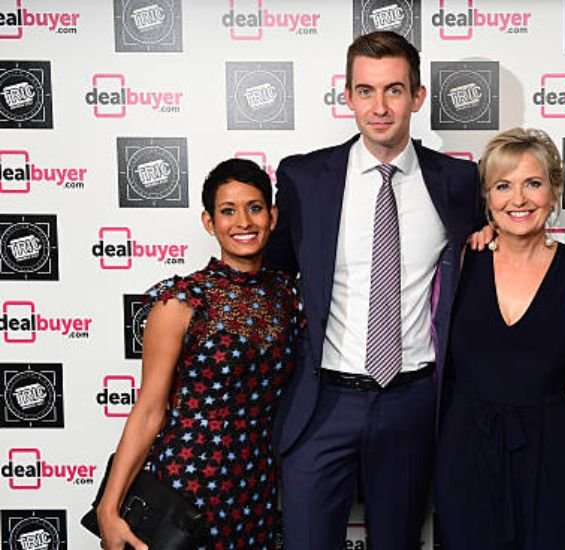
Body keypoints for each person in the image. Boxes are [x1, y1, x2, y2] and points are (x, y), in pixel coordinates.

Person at [263, 31, 481, 549]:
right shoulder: (304, 178)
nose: (379, 107)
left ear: (417, 96)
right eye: (365, 91)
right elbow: (273, 274)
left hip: (412, 402)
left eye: (393, 90)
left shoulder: (457, 181)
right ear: (348, 96)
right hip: (322, 401)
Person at [96, 158, 298, 550]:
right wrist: (109, 507)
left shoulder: (288, 295)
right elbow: (149, 411)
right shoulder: (182, 302)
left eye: (255, 208)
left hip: (255, 488)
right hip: (186, 487)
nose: (243, 222)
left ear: (272, 217)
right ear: (209, 222)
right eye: (228, 211)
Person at [435, 128, 565, 550]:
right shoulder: (460, 261)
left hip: (550, 455)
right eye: (503, 186)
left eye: (533, 183)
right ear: (487, 198)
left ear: (554, 190)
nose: (518, 199)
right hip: (465, 452)